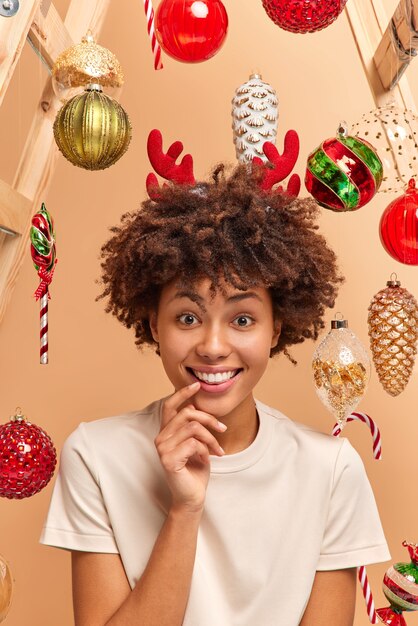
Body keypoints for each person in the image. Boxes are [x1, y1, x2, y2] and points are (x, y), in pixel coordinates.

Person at [40, 143, 391, 626]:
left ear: (278, 330)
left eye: (243, 319)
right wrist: (185, 509)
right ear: (153, 324)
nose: (212, 345)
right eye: (187, 317)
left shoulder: (329, 471)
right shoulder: (96, 456)